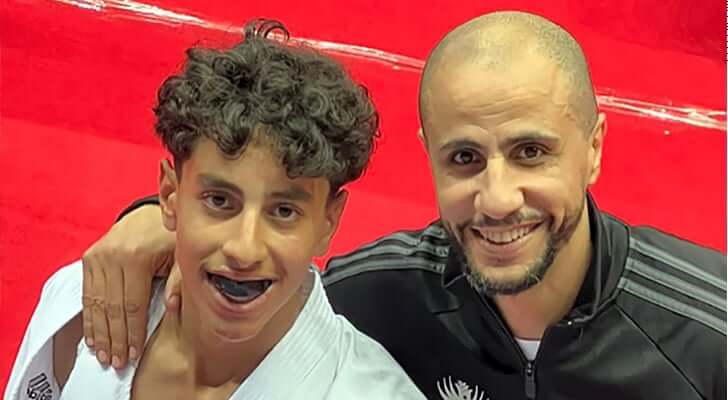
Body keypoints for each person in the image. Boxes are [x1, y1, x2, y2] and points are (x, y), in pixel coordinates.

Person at [74, 11, 726, 400]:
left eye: (531, 153)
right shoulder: (376, 293)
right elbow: (263, 263)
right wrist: (150, 224)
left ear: (594, 148)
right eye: (464, 158)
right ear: (429, 156)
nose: (498, 198)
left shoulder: (709, 335)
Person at [4, 19, 426, 400]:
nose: (244, 249)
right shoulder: (77, 309)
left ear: (329, 222)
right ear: (170, 195)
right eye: (220, 201)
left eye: (283, 212)